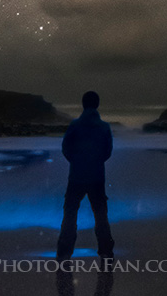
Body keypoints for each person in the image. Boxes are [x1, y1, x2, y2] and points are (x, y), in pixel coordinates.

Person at [56, 90, 114, 260]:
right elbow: (107, 152)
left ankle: (65, 251)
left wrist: (76, 161)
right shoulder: (104, 127)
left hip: (76, 176)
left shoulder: (75, 125)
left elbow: (66, 148)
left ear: (83, 104)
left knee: (70, 213)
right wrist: (96, 161)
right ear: (97, 105)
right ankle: (105, 250)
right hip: (96, 175)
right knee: (100, 214)